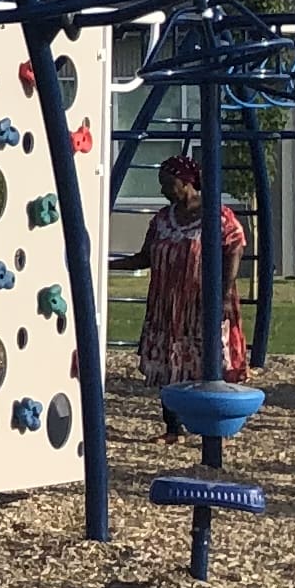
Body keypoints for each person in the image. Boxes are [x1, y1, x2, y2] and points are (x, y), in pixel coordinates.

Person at [118, 151, 249, 402]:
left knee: (206, 364)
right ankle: (172, 425)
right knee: (169, 368)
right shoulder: (163, 219)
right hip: (167, 307)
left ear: (187, 182)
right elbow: (144, 257)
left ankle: (208, 421)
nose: (164, 190)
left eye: (168, 184)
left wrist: (221, 295)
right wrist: (104, 263)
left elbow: (234, 249)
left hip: (202, 304)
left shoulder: (217, 217)